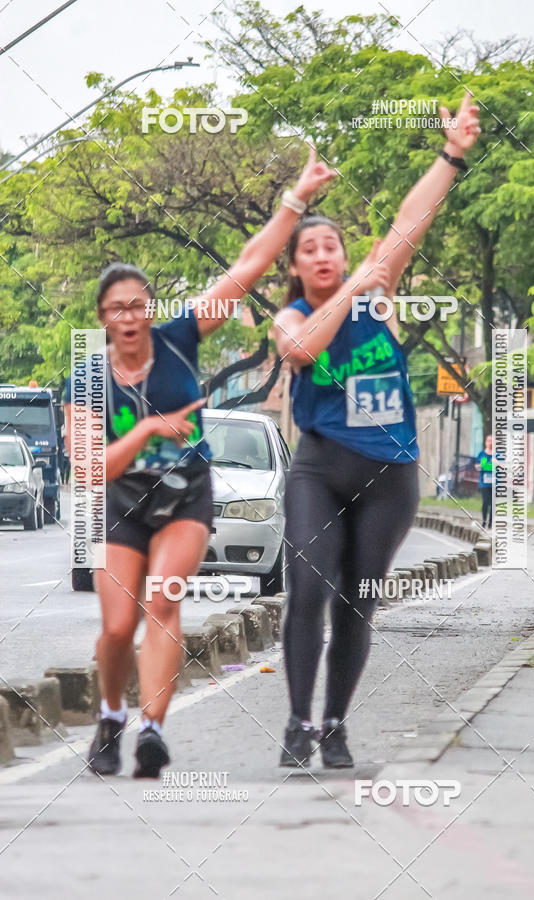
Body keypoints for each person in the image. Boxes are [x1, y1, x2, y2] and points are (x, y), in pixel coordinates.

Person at [63, 147, 336, 778]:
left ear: (151, 310)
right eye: (117, 309)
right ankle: (110, 715)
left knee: (163, 604)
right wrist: (148, 430)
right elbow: (90, 470)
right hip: (121, 503)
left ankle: (153, 732)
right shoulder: (88, 378)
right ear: (102, 319)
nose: (130, 318)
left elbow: (246, 268)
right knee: (116, 626)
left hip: (185, 495)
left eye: (139, 305)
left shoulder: (181, 338)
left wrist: (296, 198)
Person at [273, 93, 481, 768]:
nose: (323, 254)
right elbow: (302, 350)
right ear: (296, 266)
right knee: (309, 589)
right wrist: (351, 287)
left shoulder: (376, 292)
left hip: (389, 477)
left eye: (331, 245)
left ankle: (335, 726)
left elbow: (411, 219)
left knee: (358, 603)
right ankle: (298, 722)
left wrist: (451, 155)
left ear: (342, 253)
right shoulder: (292, 316)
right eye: (309, 249)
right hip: (321, 469)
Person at [475, 434, 494, 528]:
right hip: (484, 483)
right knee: (485, 502)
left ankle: (491, 522)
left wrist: (497, 463)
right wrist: (480, 466)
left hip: (495, 483)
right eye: (489, 441)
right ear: (486, 442)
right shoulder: (481, 454)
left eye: (492, 441)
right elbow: (477, 466)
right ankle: (484, 520)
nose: (490, 443)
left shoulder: (498, 455)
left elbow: (504, 467)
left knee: (493, 503)